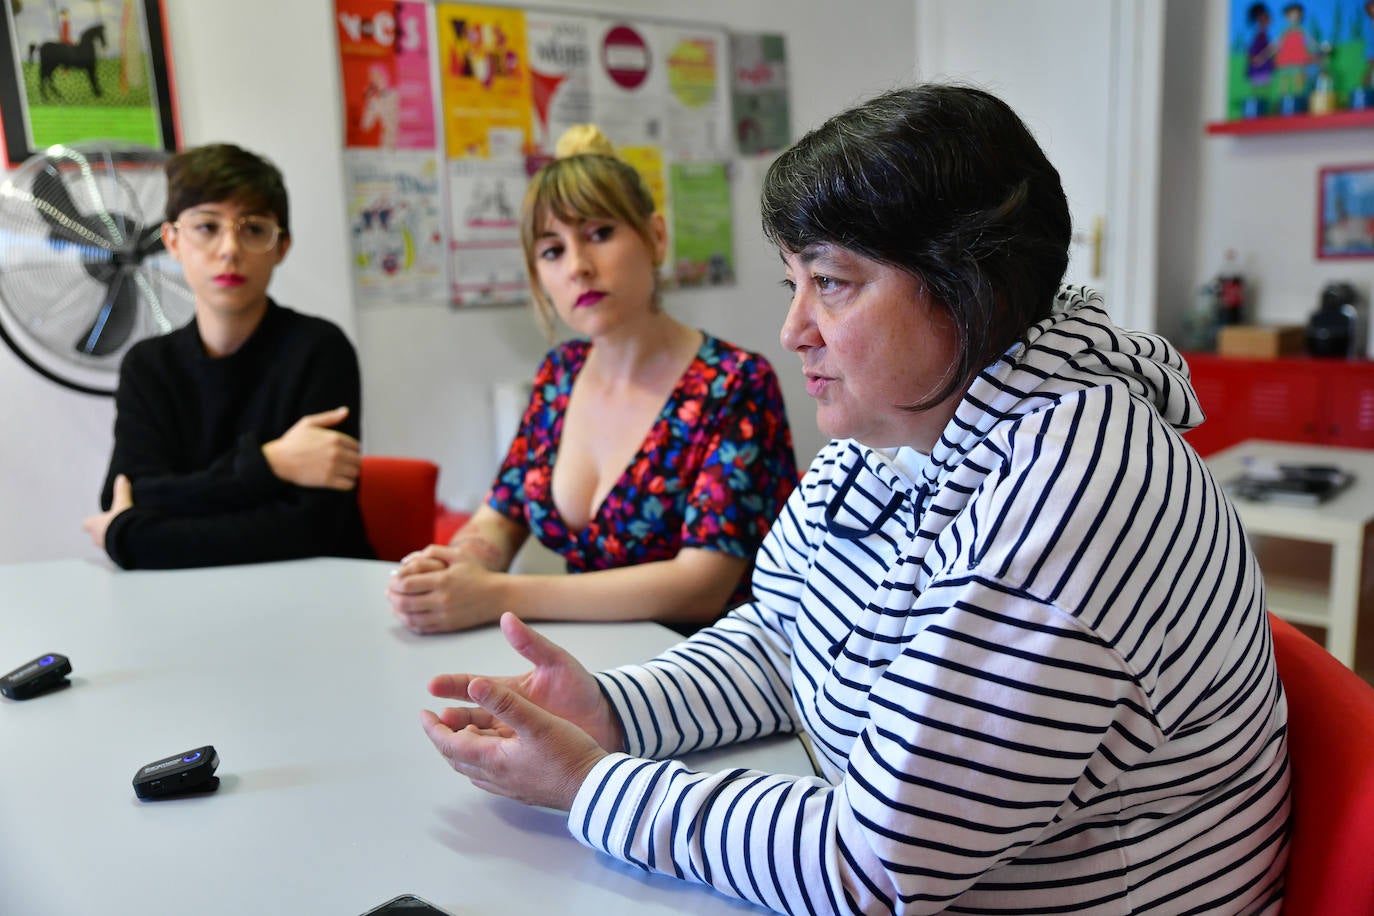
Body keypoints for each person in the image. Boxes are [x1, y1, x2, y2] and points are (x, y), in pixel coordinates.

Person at [419, 85, 1290, 914]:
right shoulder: (897, 429)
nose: (794, 328)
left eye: (830, 283)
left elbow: (871, 868)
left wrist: (585, 785)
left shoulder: (1072, 499)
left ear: (968, 287)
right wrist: (612, 711)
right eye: (791, 284)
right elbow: (781, 639)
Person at [387, 125, 797, 636]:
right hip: (588, 664)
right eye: (552, 250)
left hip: (710, 679)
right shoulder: (560, 375)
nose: (578, 267)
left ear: (655, 237)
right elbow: (502, 513)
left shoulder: (735, 384)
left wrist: (500, 594)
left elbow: (702, 585)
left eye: (599, 234)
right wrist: (460, 562)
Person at [82, 143, 374, 569]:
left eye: (254, 229)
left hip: (315, 597)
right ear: (172, 241)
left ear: (282, 246)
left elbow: (312, 530)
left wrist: (132, 536)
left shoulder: (320, 350)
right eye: (207, 227)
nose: (229, 249)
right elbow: (127, 494)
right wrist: (269, 464)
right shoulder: (148, 366)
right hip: (179, 604)